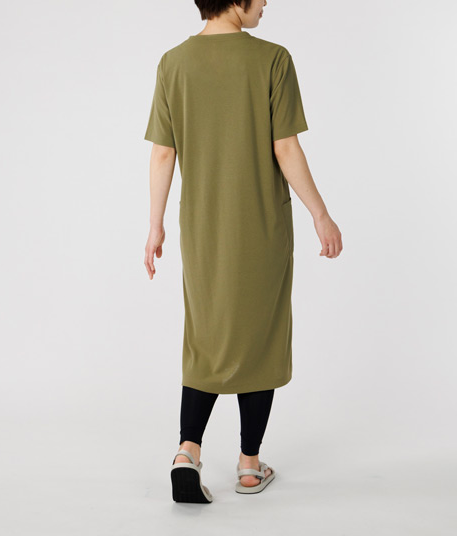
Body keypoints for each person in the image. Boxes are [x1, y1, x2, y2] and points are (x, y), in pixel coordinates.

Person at [144, 0, 342, 502]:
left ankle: (187, 452)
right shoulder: (272, 59)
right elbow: (285, 147)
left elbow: (163, 152)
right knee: (261, 335)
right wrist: (320, 213)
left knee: (205, 335)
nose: (267, 2)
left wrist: (155, 226)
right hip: (260, 225)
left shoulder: (173, 63)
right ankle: (250, 467)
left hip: (201, 229)